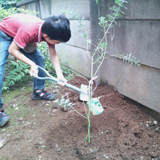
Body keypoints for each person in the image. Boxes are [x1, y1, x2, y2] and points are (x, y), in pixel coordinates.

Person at [0, 14, 71, 127]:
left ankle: (38, 92)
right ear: (46, 36)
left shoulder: (49, 30)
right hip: (4, 33)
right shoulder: (29, 31)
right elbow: (12, 50)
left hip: (19, 33)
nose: (57, 44)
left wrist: (60, 75)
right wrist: (31, 64)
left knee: (40, 59)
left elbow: (53, 55)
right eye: (57, 42)